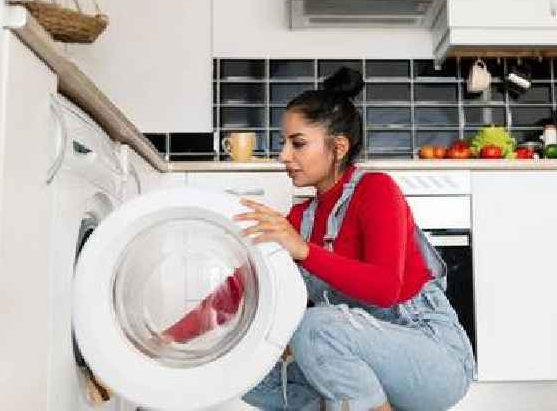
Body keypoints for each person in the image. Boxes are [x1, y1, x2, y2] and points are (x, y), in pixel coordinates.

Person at [163, 67, 475, 411]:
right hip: (362, 361)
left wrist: (301, 250)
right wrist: (164, 342)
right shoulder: (301, 218)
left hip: (433, 358)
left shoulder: (376, 190)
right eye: (284, 144)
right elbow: (239, 290)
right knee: (242, 366)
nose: (283, 155)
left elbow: (385, 288)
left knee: (315, 327)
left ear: (338, 147)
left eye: (297, 144)